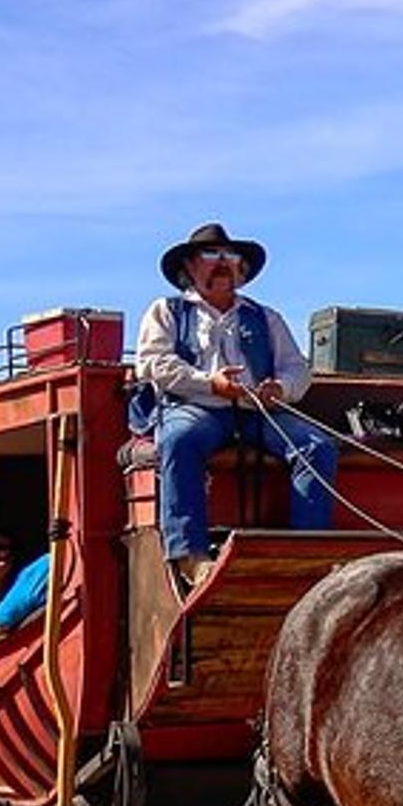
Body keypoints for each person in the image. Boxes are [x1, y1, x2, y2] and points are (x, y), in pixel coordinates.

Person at [135, 222, 337, 587]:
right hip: (196, 408)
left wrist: (280, 388)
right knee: (179, 440)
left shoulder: (265, 317)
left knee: (316, 446)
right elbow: (153, 363)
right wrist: (210, 383)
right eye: (211, 255)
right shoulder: (166, 311)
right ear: (190, 268)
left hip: (257, 412)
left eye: (230, 256)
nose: (223, 262)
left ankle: (308, 552)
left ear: (242, 270)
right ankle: (189, 555)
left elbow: (297, 370)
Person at [0, 533, 49, 637]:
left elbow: (50, 560)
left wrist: (1, 619)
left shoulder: (24, 583)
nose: (6, 553)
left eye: (11, 549)